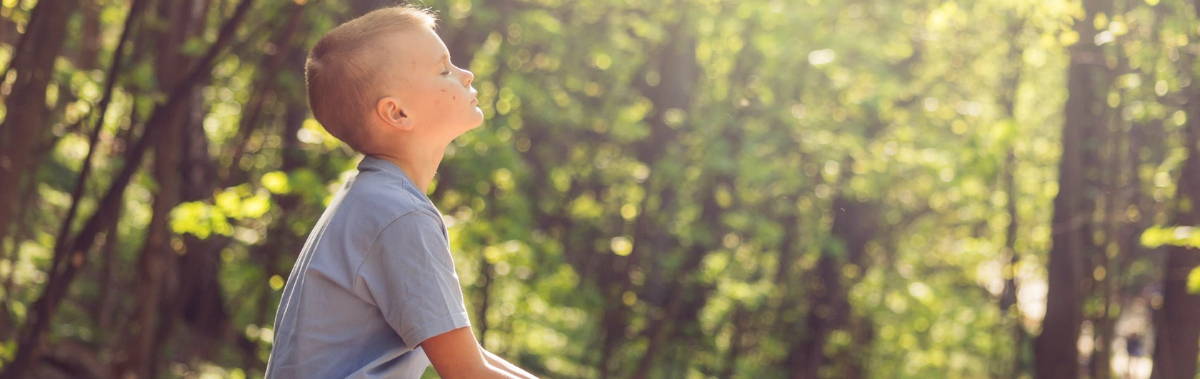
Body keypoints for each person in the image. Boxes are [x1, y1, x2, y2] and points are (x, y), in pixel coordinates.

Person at [264, 5, 536, 378]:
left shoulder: (376, 197)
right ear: (397, 113)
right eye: (444, 70)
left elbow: (466, 351)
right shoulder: (398, 215)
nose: (466, 73)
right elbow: (467, 372)